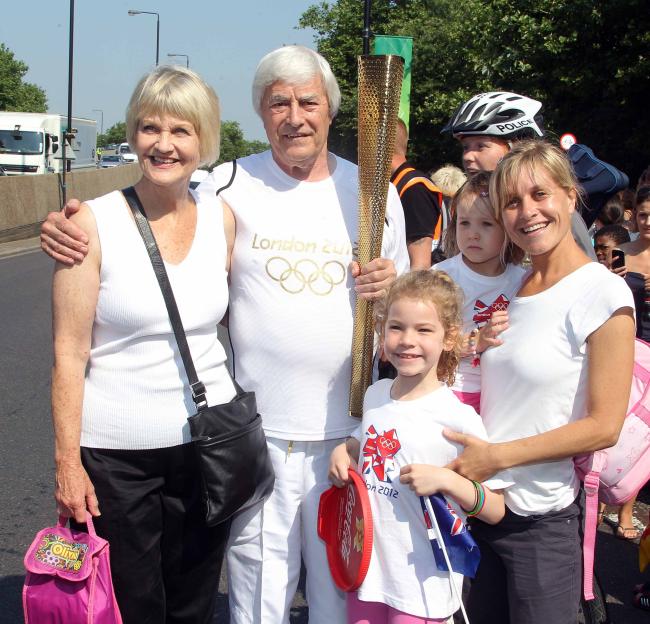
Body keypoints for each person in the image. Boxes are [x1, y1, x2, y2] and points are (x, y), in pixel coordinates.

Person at [40, 45, 410, 624]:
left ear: (331, 111)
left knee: (341, 596)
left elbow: (406, 322)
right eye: (278, 103)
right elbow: (151, 213)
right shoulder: (225, 187)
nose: (295, 116)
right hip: (251, 438)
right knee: (255, 600)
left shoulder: (375, 195)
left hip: (348, 435)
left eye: (308, 102)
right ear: (260, 115)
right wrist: (63, 226)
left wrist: (391, 291)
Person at [51, 65, 234, 623]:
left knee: (193, 602)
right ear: (132, 135)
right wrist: (67, 464)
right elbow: (67, 352)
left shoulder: (222, 220)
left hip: (206, 449)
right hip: (116, 458)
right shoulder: (90, 224)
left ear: (203, 140)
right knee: (132, 605)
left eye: (181, 131)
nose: (164, 144)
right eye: (150, 128)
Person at [443, 140, 635, 624]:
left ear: (571, 196)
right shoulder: (512, 286)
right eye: (511, 202)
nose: (527, 212)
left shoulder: (601, 291)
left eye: (539, 194)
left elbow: (603, 426)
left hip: (540, 521)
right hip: (481, 507)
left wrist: (497, 456)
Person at [329, 270, 506, 623]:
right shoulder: (375, 394)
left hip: (424, 587)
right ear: (382, 333)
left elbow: (496, 509)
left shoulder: (458, 418)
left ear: (449, 338)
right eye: (396, 327)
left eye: (424, 330)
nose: (407, 340)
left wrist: (448, 481)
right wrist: (344, 450)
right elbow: (365, 438)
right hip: (367, 575)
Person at [441, 90, 599, 260]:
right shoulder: (468, 204)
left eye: (481, 146)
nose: (468, 156)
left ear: (516, 147)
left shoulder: (556, 216)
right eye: (466, 147)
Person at [434, 172, 526, 413]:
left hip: (506, 395)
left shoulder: (524, 279)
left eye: (486, 224)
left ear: (507, 228)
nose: (472, 233)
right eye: (464, 222)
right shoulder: (441, 277)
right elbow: (427, 341)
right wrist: (476, 341)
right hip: (451, 391)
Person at [390, 118, 443, 269]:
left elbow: (420, 263)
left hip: (412, 288)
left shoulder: (414, 187)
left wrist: (411, 293)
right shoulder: (399, 183)